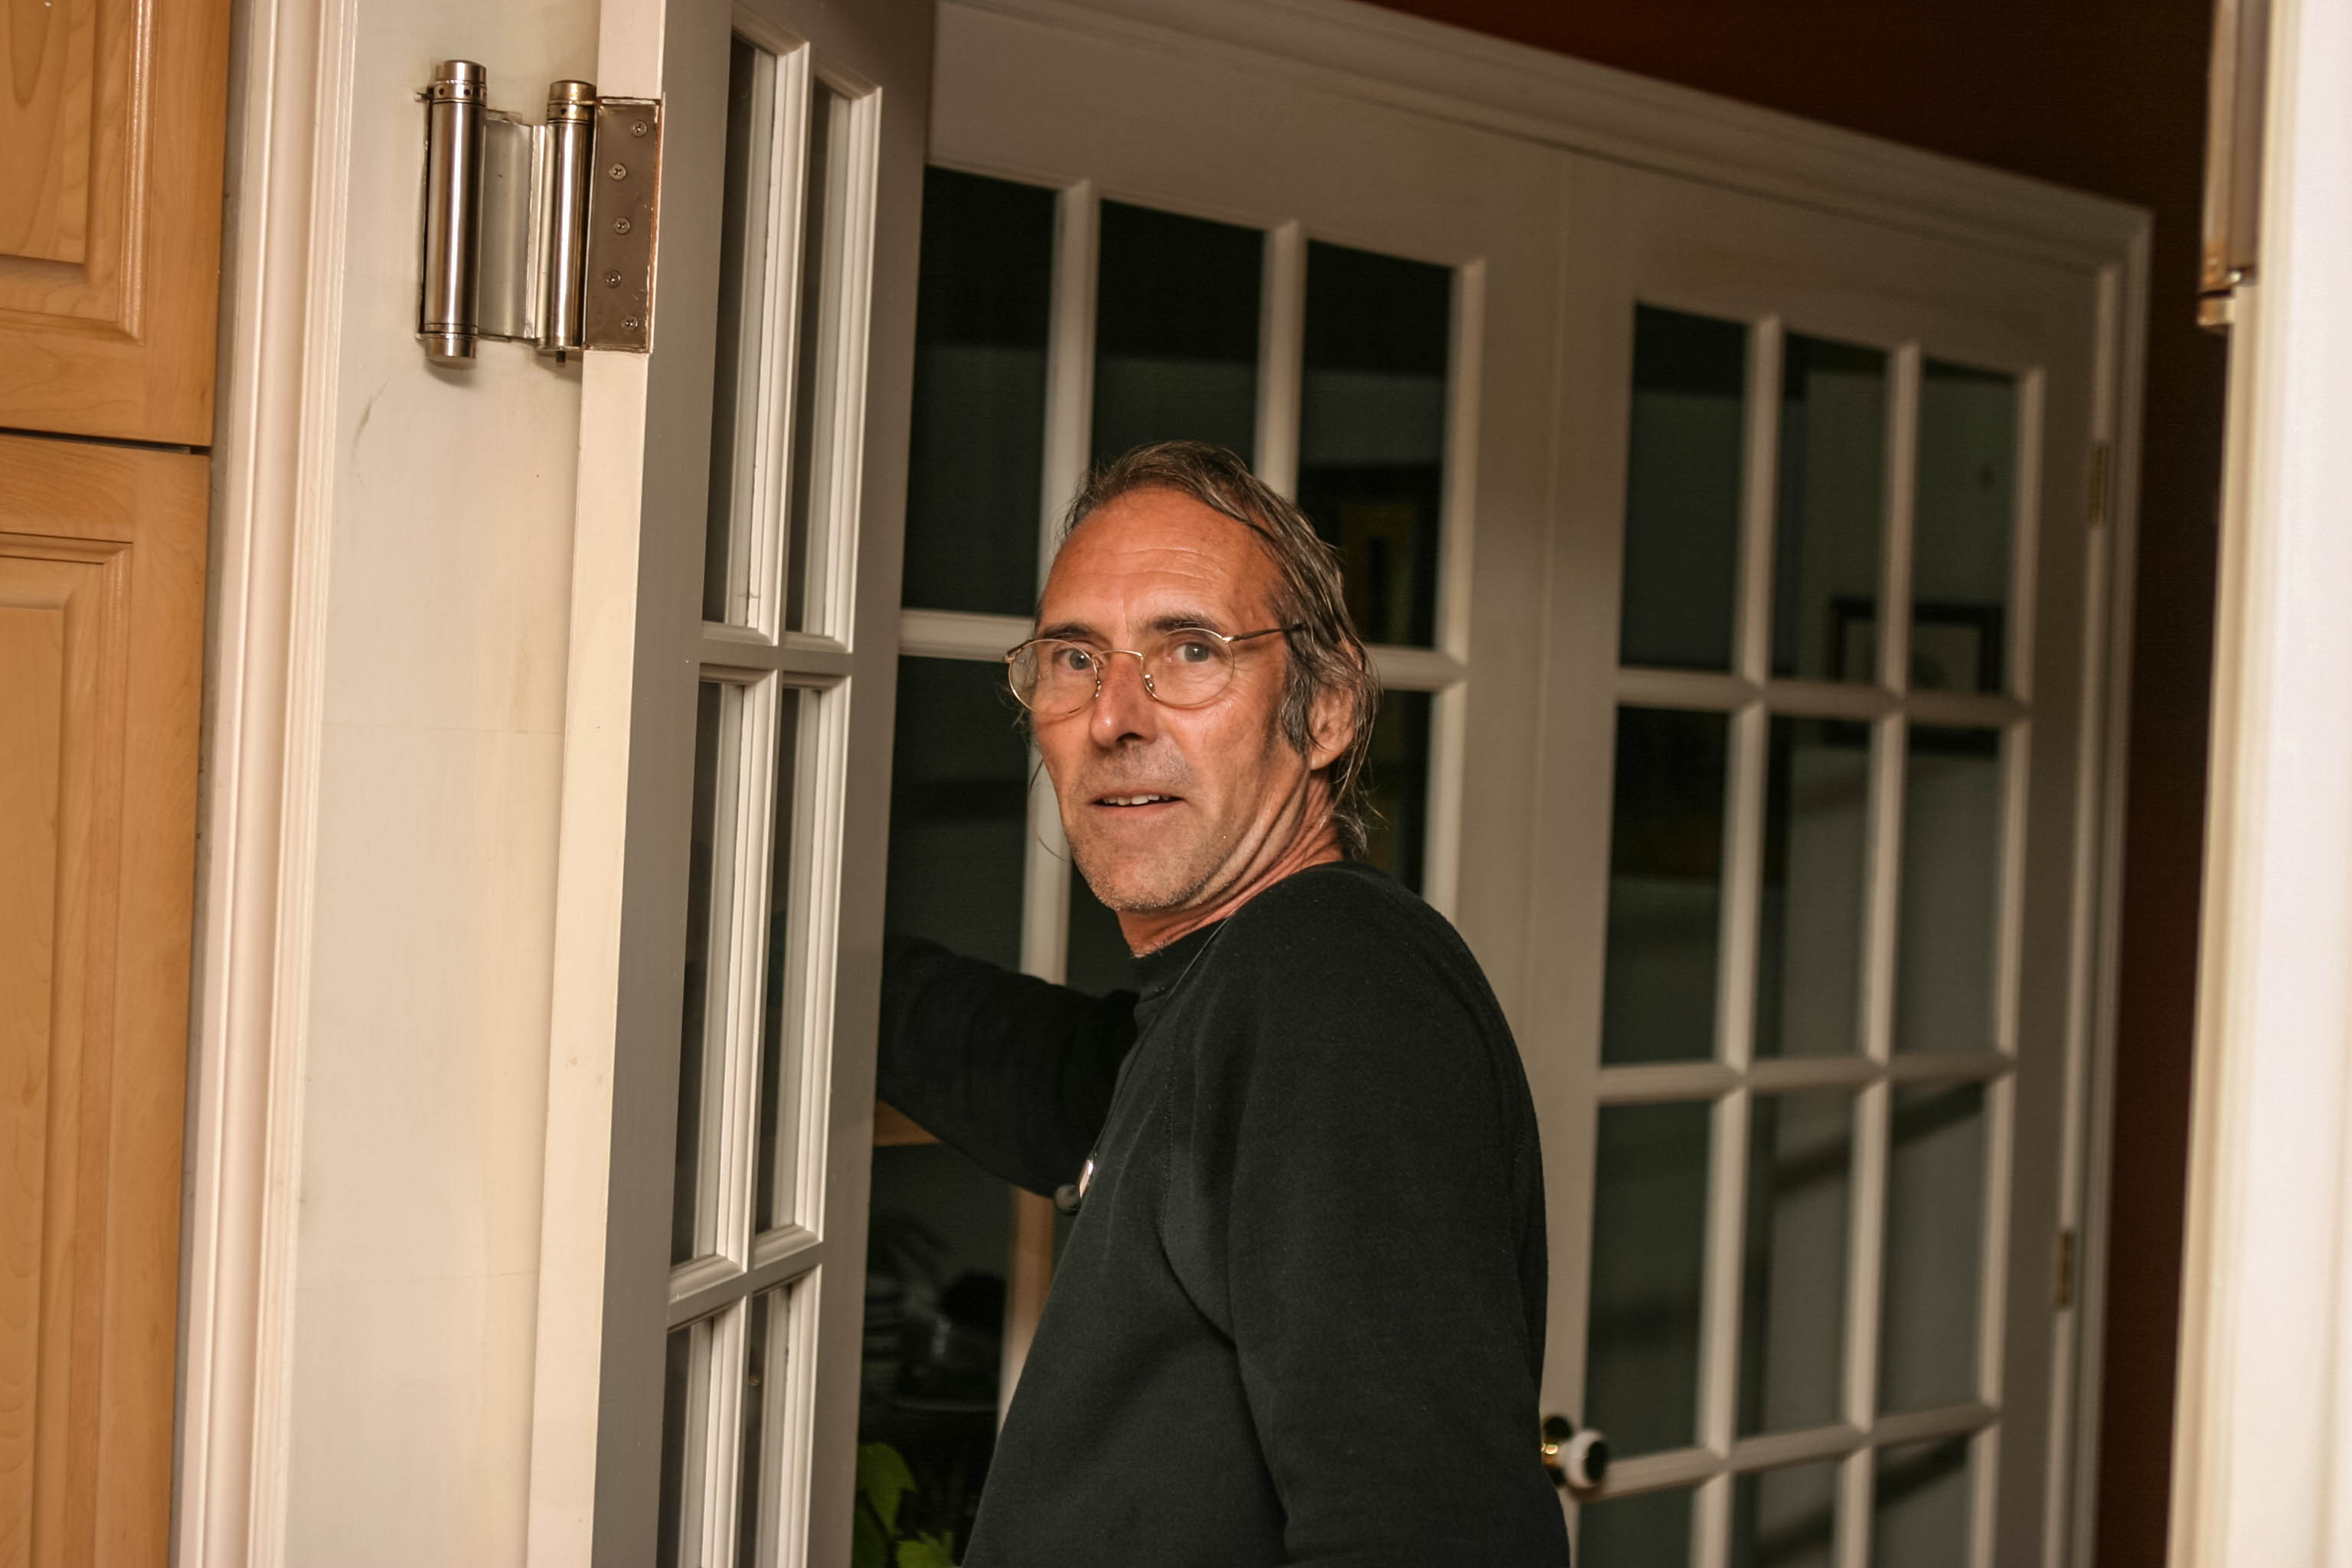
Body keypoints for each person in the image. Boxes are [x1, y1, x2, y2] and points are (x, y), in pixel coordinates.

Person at [878, 441, 1570, 1566]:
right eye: (1074, 659)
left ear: (1327, 710)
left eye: (1190, 650)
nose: (1114, 716)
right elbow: (1032, 1065)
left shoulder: (1332, 986)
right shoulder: (1231, 996)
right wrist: (756, 951)